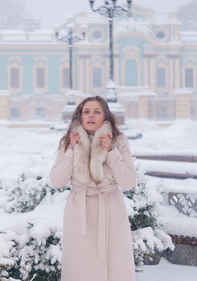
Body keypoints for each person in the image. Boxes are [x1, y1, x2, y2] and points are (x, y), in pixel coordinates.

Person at [50, 96, 137, 281]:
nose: (91, 116)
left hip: (111, 211)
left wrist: (111, 152)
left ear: (105, 116)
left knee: (115, 267)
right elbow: (57, 181)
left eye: (97, 111)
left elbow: (128, 182)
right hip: (78, 213)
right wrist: (71, 151)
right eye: (86, 112)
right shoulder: (68, 141)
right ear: (79, 116)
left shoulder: (118, 141)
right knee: (80, 269)